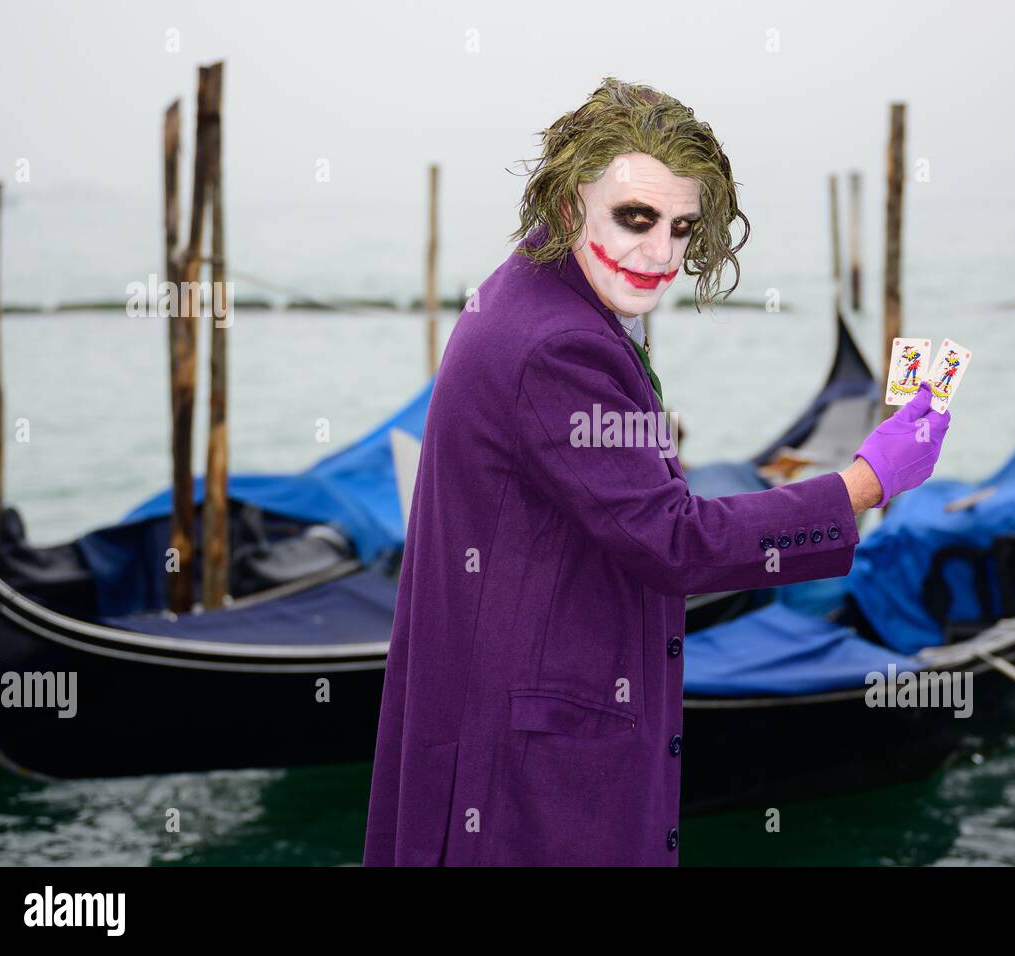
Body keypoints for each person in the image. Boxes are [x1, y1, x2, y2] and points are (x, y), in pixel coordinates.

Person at [363, 77, 950, 866]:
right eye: (635, 218)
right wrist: (865, 482)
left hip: (497, 721)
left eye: (681, 227)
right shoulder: (557, 344)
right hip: (530, 773)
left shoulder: (527, 292)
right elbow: (675, 541)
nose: (661, 255)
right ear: (570, 202)